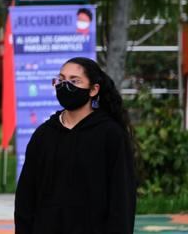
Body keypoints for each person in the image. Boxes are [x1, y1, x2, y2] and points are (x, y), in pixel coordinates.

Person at [14, 56, 137, 234]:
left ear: (94, 89)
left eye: (74, 81)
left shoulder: (110, 134)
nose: (65, 86)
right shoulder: (43, 135)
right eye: (61, 80)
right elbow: (26, 195)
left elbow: (122, 197)